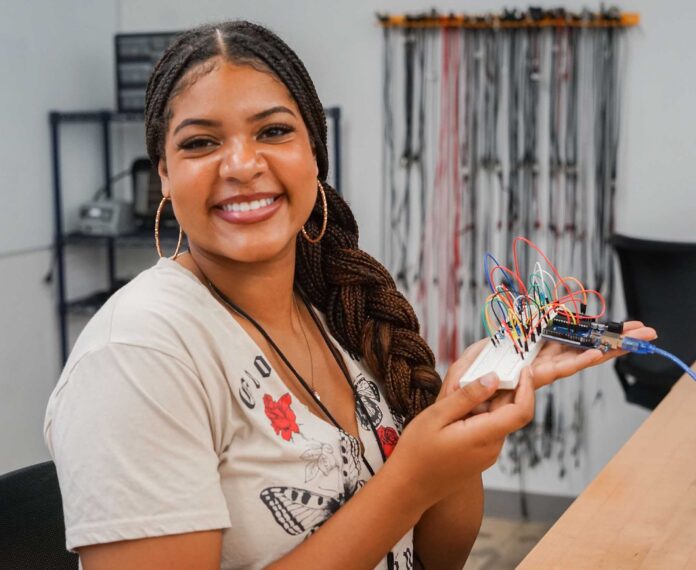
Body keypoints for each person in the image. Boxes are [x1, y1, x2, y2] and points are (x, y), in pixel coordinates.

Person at [43, 20, 655, 570]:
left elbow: (431, 560)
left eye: (274, 131)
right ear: (165, 176)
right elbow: (401, 504)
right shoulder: (138, 354)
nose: (241, 163)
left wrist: (461, 431)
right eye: (200, 142)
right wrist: (411, 479)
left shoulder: (335, 310)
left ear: (315, 157)